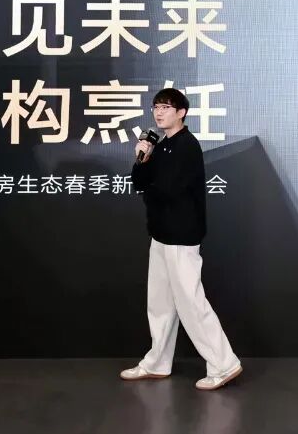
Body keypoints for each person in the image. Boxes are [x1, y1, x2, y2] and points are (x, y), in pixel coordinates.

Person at [119, 87, 242, 390]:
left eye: (165, 107)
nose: (159, 112)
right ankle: (157, 363)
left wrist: (151, 185)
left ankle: (224, 364)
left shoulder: (187, 146)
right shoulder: (161, 146)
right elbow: (139, 182)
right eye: (155, 107)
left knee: (190, 302)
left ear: (181, 112)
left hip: (181, 237)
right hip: (160, 235)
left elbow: (169, 189)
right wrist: (142, 159)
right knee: (159, 304)